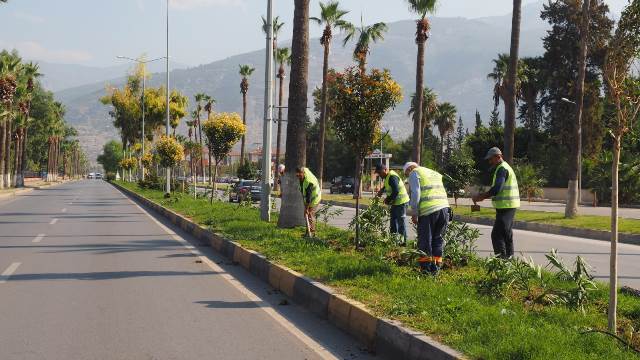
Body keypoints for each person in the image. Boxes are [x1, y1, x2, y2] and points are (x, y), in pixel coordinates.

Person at [472, 147, 520, 259]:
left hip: (506, 207)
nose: (490, 162)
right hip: (507, 207)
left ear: (498, 156)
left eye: (491, 159)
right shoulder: (503, 168)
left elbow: (497, 189)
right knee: (507, 235)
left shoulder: (502, 169)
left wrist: (481, 197)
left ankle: (502, 263)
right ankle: (509, 263)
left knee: (497, 235)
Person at [404, 162, 450, 274]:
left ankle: (425, 270)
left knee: (425, 242)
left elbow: (416, 193)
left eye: (406, 174)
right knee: (438, 240)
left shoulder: (415, 173)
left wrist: (414, 212)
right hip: (444, 209)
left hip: (429, 211)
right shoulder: (433, 173)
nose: (408, 177)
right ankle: (436, 270)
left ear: (410, 169)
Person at [375, 164, 409, 244]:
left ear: (385, 170)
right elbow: (388, 185)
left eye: (380, 172)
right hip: (395, 202)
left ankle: (403, 243)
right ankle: (393, 241)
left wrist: (388, 199)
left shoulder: (392, 177)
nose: (379, 175)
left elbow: (396, 191)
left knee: (401, 223)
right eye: (378, 173)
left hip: (401, 202)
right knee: (393, 222)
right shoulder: (387, 177)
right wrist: (382, 190)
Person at [295, 167, 321, 237]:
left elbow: (308, 198)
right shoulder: (303, 173)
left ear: (303, 173)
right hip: (309, 198)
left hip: (314, 199)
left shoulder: (309, 181)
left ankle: (311, 234)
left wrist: (306, 209)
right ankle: (308, 233)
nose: (298, 177)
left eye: (299, 176)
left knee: (309, 214)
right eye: (297, 176)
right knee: (306, 215)